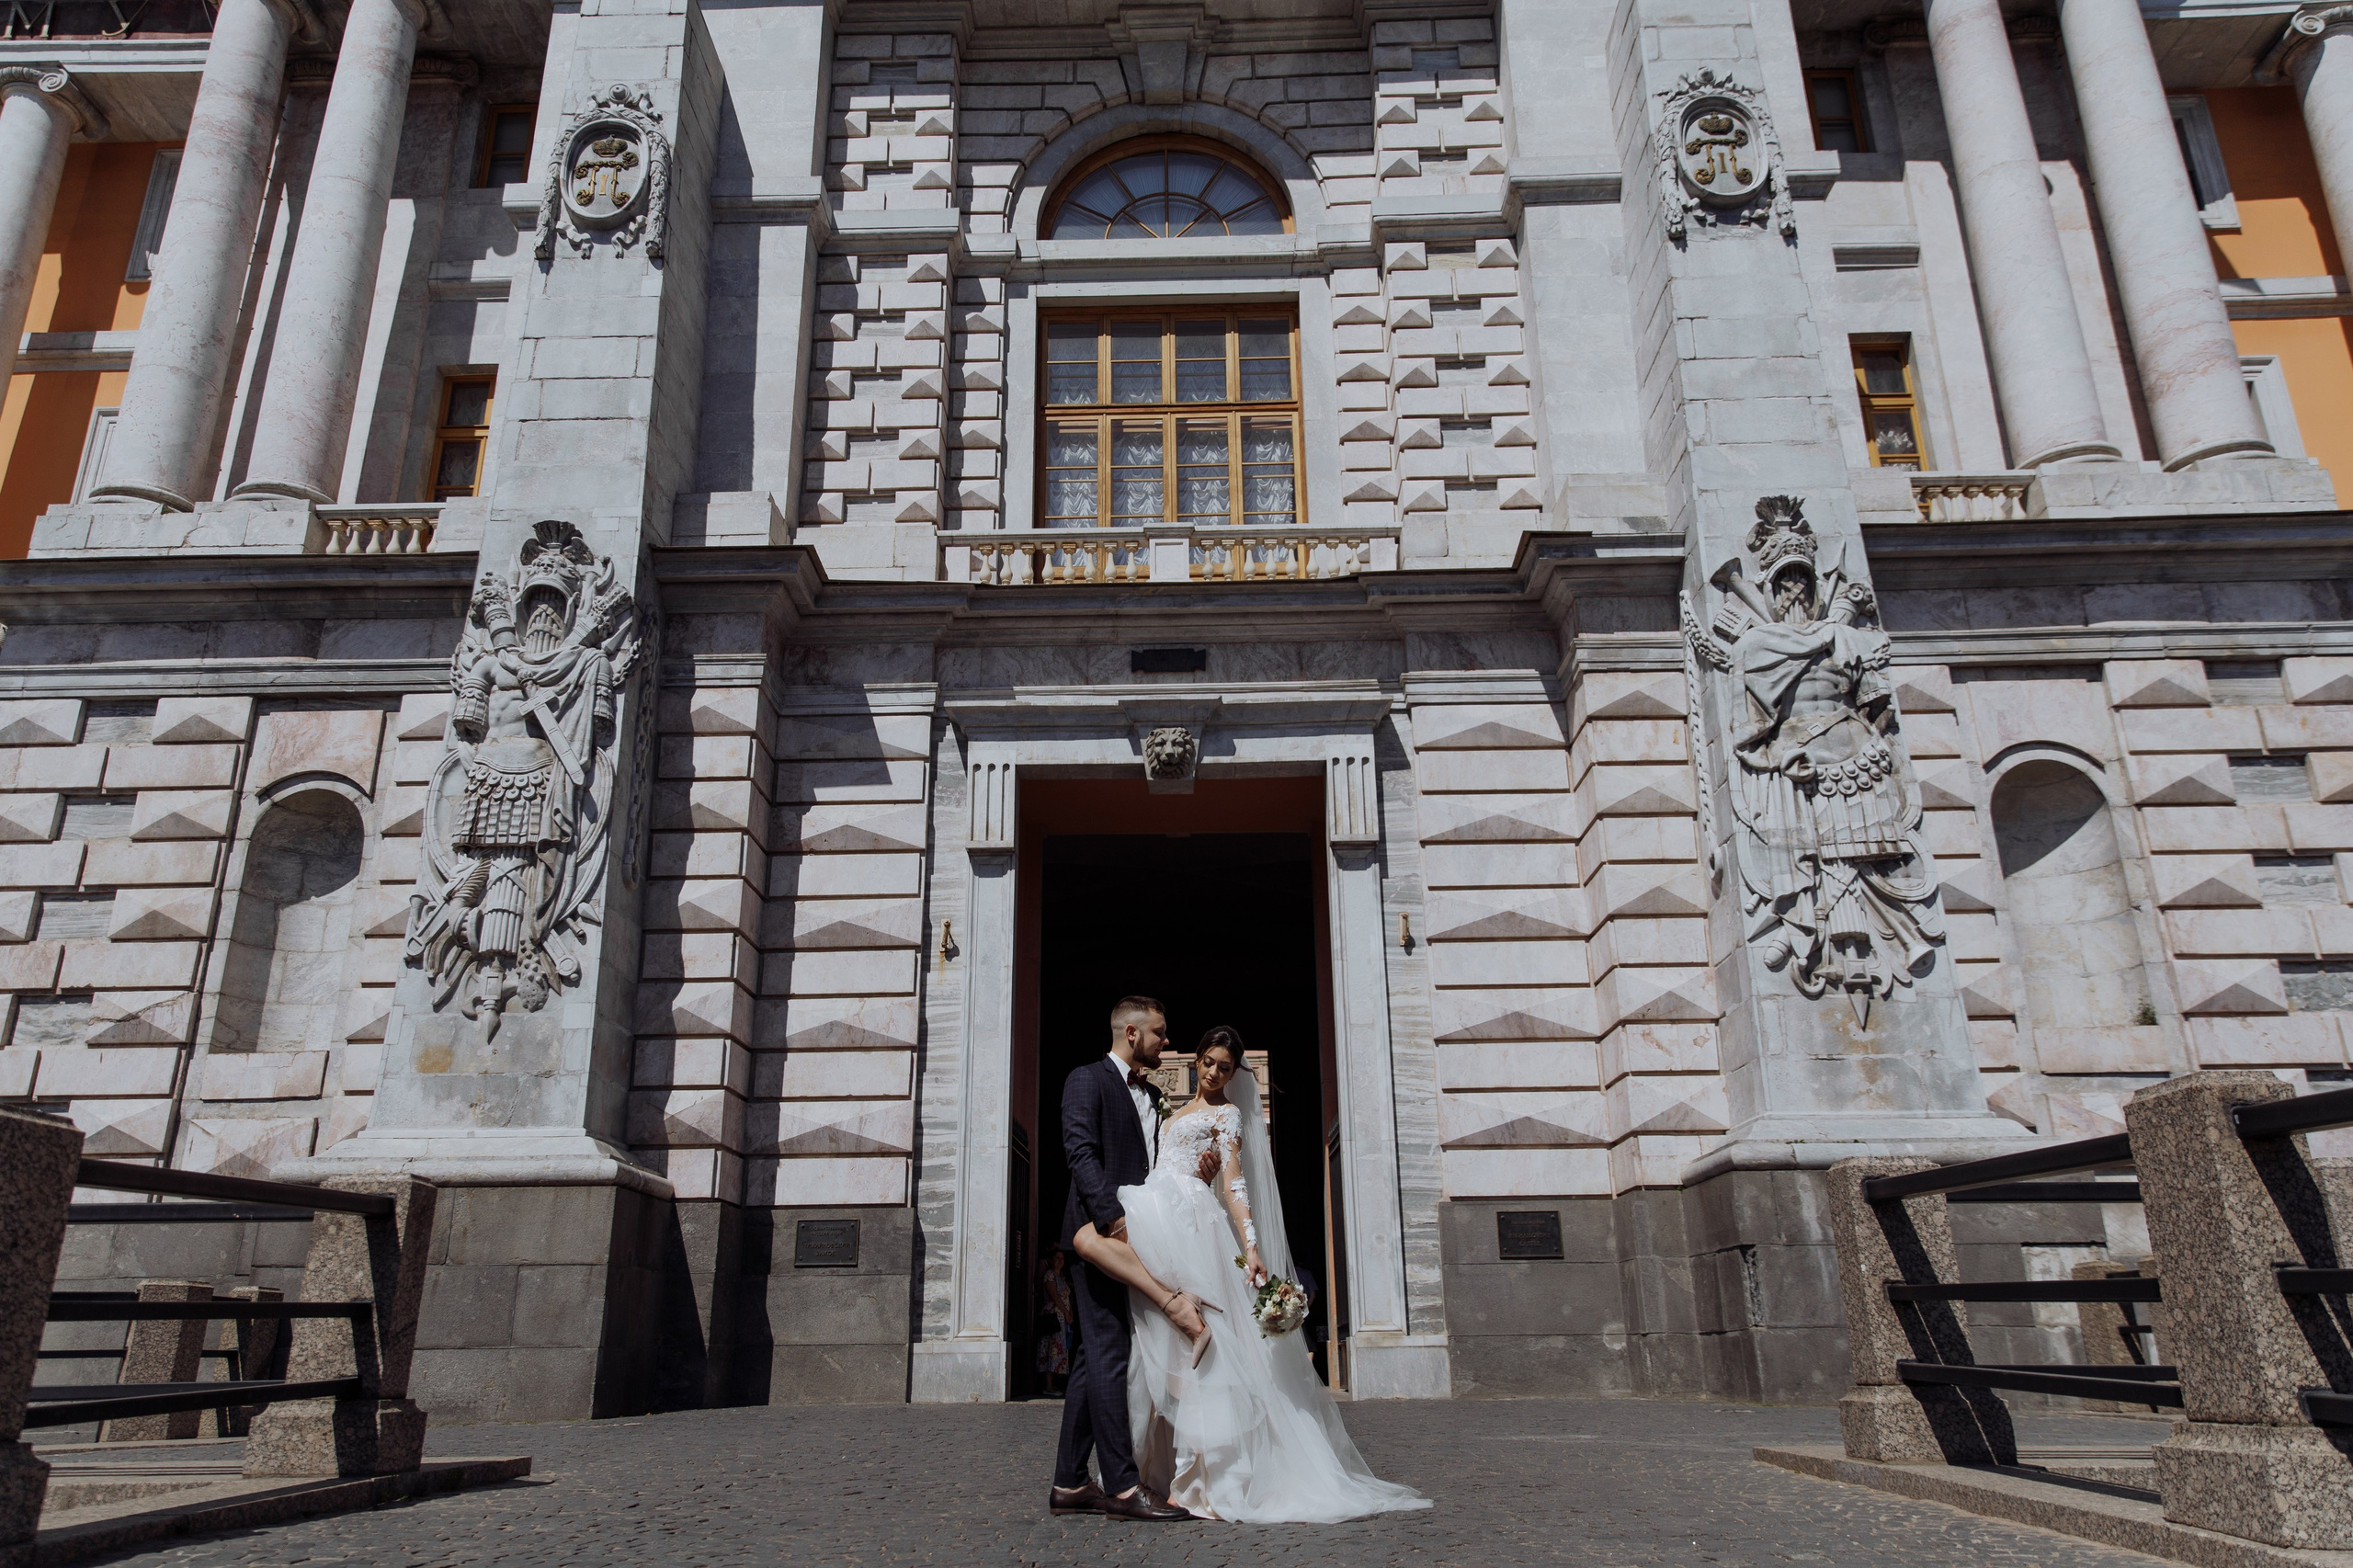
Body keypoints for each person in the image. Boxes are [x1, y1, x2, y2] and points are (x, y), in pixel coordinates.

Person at [1105, 1026, 1430, 1522]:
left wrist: (1251, 1247)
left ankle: (1197, 1477)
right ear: (1196, 1060)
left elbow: (1234, 1185)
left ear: (1235, 1075)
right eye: (1209, 1062)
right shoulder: (1169, 1113)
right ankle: (1149, 1470)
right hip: (1160, 1220)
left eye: (1225, 1068)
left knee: (1204, 1343)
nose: (1214, 1073)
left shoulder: (1227, 1115)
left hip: (1195, 1227)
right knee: (1155, 1340)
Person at [1049, 995, 1216, 1522]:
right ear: (1131, 1033)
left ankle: (1071, 1482)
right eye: (1160, 1033)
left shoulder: (1150, 1095)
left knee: (1089, 1360)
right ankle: (1122, 1486)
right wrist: (1113, 1222)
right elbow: (1080, 1153)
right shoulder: (1086, 1079)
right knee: (1110, 1353)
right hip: (1097, 1237)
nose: (1168, 1041)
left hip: (1141, 1237)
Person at [1037, 1250, 1075, 1396]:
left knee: (1059, 1350)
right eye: (1057, 1258)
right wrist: (1066, 1312)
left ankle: (1054, 1384)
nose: (1060, 1261)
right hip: (1053, 1318)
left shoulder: (1062, 1278)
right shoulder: (1050, 1276)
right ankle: (1048, 1385)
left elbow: (1067, 1297)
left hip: (1063, 1319)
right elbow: (1054, 1296)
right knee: (1051, 1351)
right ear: (1051, 1260)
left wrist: (1069, 1313)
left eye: (1062, 1258)